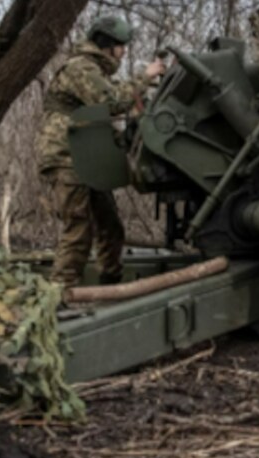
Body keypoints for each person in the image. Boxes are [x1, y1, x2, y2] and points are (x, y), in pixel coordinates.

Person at [35, 16, 166, 286]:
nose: (124, 51)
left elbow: (99, 112)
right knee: (78, 229)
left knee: (110, 226)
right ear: (108, 46)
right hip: (67, 157)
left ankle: (110, 284)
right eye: (121, 46)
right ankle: (60, 293)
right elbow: (111, 101)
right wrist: (146, 76)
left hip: (85, 157)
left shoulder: (94, 71)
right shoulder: (80, 67)